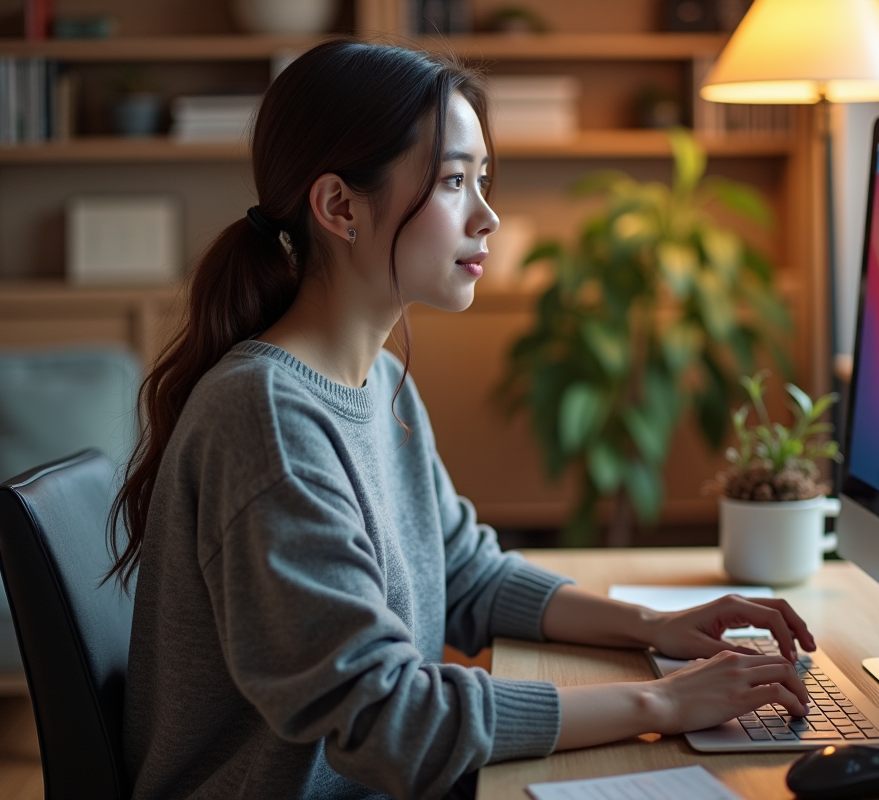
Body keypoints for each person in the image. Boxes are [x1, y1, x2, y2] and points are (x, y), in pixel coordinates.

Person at [108, 39, 815, 800]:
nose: (489, 216)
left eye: (481, 179)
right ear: (340, 206)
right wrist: (663, 702)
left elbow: (467, 573)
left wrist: (655, 629)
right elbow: (390, 721)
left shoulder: (378, 380)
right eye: (453, 181)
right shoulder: (266, 419)